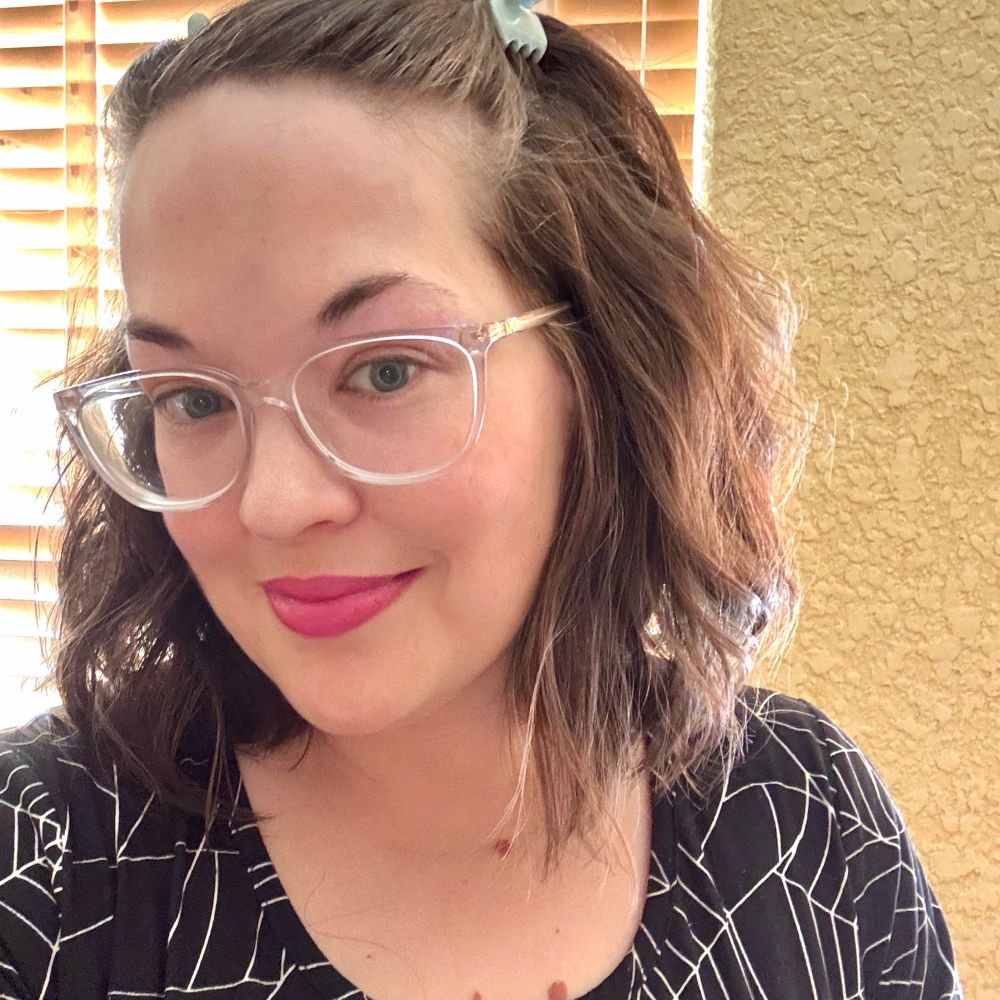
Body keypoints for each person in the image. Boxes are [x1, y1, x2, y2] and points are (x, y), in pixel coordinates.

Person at [0, 1, 963, 997]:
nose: (274, 505)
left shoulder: (808, 823)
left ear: (597, 370)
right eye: (192, 398)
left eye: (382, 372)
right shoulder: (46, 864)